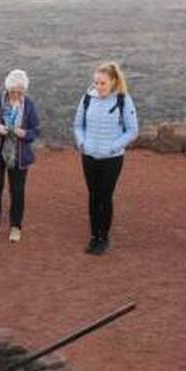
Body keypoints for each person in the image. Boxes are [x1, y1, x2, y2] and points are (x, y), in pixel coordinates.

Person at [72, 62, 139, 254]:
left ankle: (104, 237)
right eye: (96, 82)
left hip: (111, 159)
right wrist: (82, 143)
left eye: (102, 83)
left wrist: (113, 147)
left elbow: (132, 130)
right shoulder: (87, 98)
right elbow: (78, 125)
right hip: (89, 156)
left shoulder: (123, 100)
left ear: (113, 82)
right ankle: (94, 236)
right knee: (93, 196)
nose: (99, 86)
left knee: (105, 196)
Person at [0, 70, 41, 244]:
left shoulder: (29, 105)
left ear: (24, 90)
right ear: (7, 88)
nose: (16, 94)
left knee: (17, 190)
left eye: (19, 91)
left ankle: (16, 226)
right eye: (13, 91)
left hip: (19, 155)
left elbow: (36, 130)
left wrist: (25, 134)